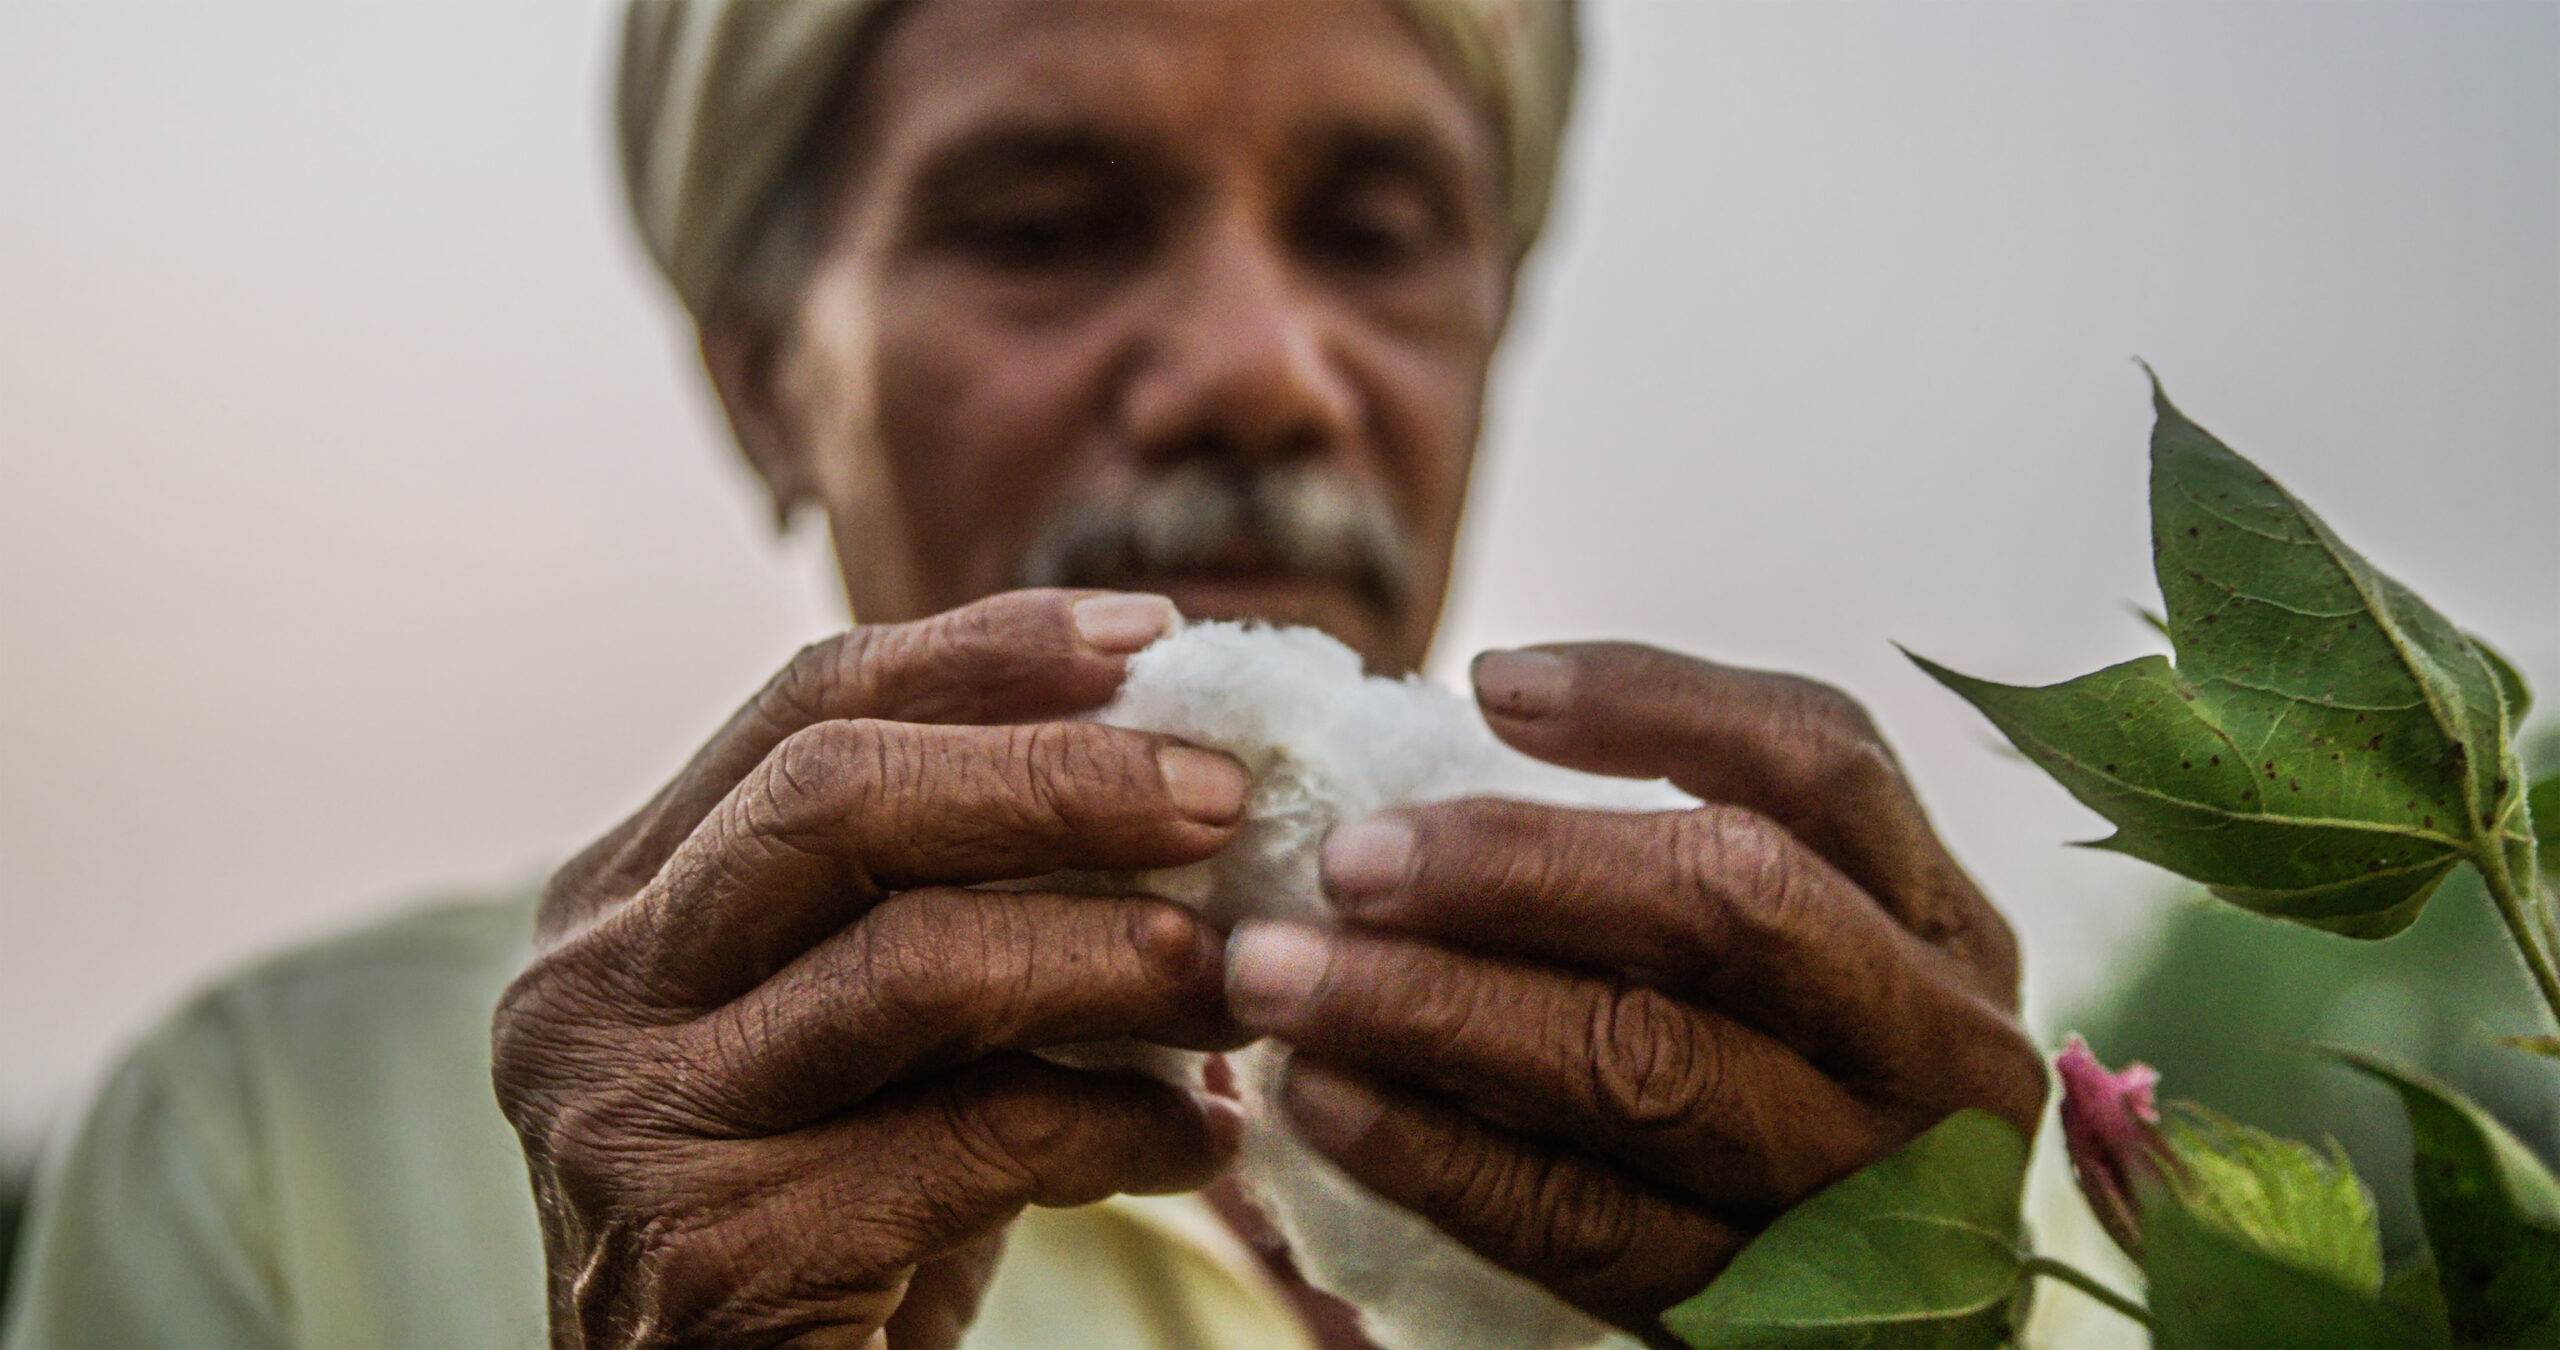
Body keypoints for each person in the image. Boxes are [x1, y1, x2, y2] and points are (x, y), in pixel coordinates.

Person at [1, 1, 2046, 1346]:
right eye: (1047, 225)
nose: (1260, 367)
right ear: (763, 386)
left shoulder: (1870, 1142)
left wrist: (1924, 1283)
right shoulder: (279, 1145)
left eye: (1373, 227)